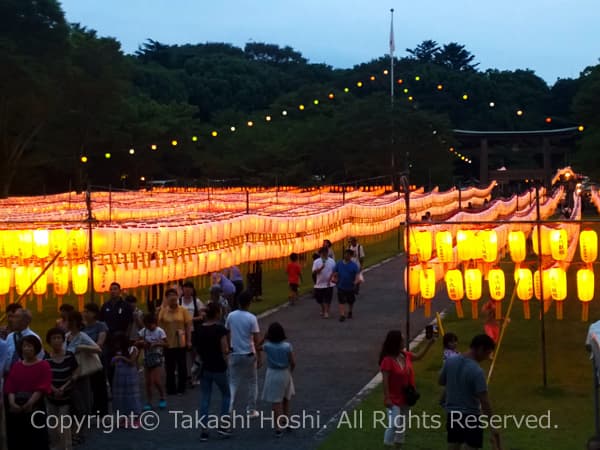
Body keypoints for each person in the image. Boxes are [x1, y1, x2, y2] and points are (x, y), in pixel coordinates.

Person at [439, 334, 500, 450]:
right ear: (480, 349)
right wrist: (493, 425)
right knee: (471, 446)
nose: (487, 357)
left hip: (453, 414)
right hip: (471, 416)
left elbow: (441, 381)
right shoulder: (477, 371)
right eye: (487, 354)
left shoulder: (450, 361)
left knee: (453, 445)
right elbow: (484, 400)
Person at [379, 330, 435, 448]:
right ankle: (387, 444)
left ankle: (398, 445)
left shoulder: (405, 355)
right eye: (402, 340)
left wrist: (429, 343)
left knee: (402, 425)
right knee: (394, 423)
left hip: (406, 397)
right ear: (396, 342)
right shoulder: (387, 361)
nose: (404, 341)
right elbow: (385, 381)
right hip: (394, 399)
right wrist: (387, 398)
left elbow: (419, 356)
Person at [4, 335, 52, 450]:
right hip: (17, 406)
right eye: (24, 346)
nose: (27, 349)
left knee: (37, 439)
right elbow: (10, 385)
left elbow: (43, 386)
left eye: (30, 346)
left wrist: (30, 402)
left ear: (36, 348)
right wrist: (12, 403)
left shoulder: (43, 365)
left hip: (35, 406)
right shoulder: (16, 366)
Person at [194, 302, 231, 441]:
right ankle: (223, 426)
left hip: (205, 367)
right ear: (216, 313)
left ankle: (204, 430)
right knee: (226, 395)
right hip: (219, 366)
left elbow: (197, 349)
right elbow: (225, 349)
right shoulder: (220, 329)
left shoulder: (199, 330)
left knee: (205, 397)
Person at [65, 311, 101, 444]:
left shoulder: (82, 336)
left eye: (68, 320)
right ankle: (74, 431)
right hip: (69, 374)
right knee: (73, 405)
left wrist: (81, 347)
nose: (66, 323)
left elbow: (97, 349)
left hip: (81, 374)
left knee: (83, 405)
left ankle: (80, 432)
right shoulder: (66, 336)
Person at [225, 290, 262, 417]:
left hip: (234, 352)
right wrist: (260, 356)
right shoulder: (252, 318)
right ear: (249, 303)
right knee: (252, 381)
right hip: (249, 353)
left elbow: (227, 332)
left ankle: (228, 408)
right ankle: (251, 410)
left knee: (233, 382)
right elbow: (256, 339)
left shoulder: (231, 316)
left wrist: (229, 347)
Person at [44, 327, 78, 450]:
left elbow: (75, 374)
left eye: (59, 338)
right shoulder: (46, 358)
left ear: (63, 340)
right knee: (52, 426)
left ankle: (66, 447)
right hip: (51, 397)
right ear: (49, 341)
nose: (57, 341)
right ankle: (54, 447)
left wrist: (63, 387)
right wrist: (54, 389)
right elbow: (45, 378)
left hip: (66, 397)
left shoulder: (69, 356)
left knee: (64, 426)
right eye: (54, 338)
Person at [261, 322, 296, 437]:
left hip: (273, 373)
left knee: (276, 401)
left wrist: (263, 338)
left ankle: (278, 426)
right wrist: (290, 371)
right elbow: (293, 362)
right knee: (286, 398)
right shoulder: (287, 346)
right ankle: (286, 420)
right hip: (285, 372)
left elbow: (256, 347)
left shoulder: (267, 346)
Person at [158, 288, 192, 396]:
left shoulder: (183, 310)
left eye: (174, 295)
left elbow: (188, 326)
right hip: (168, 343)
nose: (172, 297)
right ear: (166, 298)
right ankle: (170, 388)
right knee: (169, 367)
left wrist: (189, 340)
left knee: (182, 366)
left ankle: (181, 388)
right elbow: (159, 327)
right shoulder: (163, 311)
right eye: (170, 295)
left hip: (180, 342)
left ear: (177, 297)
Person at [99, 282, 133, 385]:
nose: (113, 291)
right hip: (109, 339)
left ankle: (124, 385)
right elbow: (102, 322)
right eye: (111, 289)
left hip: (121, 339)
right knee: (109, 363)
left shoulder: (126, 306)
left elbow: (130, 322)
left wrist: (127, 336)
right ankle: (111, 383)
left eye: (115, 289)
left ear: (119, 291)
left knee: (121, 362)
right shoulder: (105, 306)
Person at [82, 302, 109, 415]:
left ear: (94, 313)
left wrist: (85, 347)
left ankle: (102, 410)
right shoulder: (82, 327)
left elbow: (100, 343)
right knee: (88, 387)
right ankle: (91, 409)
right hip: (85, 360)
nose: (85, 314)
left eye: (87, 311)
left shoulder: (101, 325)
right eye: (84, 311)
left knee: (99, 385)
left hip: (97, 359)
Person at [111, 332, 142, 428]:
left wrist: (120, 357)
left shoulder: (133, 349)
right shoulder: (117, 351)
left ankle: (136, 417)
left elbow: (131, 362)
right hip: (119, 377)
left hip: (130, 377)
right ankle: (124, 417)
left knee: (132, 397)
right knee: (121, 398)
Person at [138, 313, 167, 411]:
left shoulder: (160, 331)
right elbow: (137, 342)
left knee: (156, 381)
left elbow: (166, 343)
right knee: (148, 382)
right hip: (147, 357)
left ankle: (162, 397)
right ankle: (149, 401)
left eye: (150, 325)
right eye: (146, 325)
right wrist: (142, 343)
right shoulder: (144, 331)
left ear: (155, 323)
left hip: (157, 357)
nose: (149, 327)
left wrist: (156, 343)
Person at [4, 308, 44, 375]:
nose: (12, 320)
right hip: (9, 376)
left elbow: (39, 358)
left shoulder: (34, 338)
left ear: (26, 321)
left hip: (27, 375)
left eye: (16, 317)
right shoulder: (10, 337)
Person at [179, 281, 204, 387]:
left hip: (193, 330)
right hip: (181, 331)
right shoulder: (179, 301)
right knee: (182, 353)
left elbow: (202, 316)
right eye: (185, 288)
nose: (187, 290)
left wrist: (190, 319)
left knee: (194, 352)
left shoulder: (196, 301)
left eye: (190, 288)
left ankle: (195, 372)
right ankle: (186, 374)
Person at [331, 249, 361, 322]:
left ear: (351, 256)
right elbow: (334, 272)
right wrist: (334, 278)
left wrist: (356, 282)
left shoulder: (354, 265)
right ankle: (342, 315)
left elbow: (357, 276)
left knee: (350, 301)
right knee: (341, 301)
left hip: (350, 286)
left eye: (348, 255)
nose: (346, 256)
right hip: (341, 286)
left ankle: (350, 311)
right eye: (345, 254)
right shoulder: (339, 263)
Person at [312, 246, 336, 318]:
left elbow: (334, 271)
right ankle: (323, 308)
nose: (324, 254)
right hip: (319, 284)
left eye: (326, 252)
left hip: (329, 284)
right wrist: (321, 268)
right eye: (323, 253)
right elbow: (314, 272)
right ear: (320, 253)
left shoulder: (332, 261)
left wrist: (333, 279)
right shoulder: (316, 262)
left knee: (328, 298)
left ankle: (326, 311)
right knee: (319, 299)